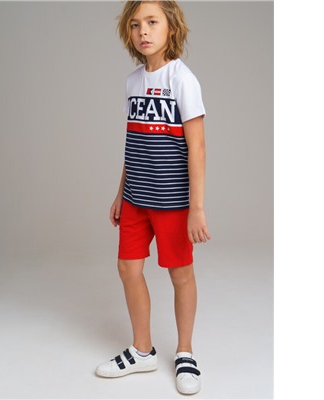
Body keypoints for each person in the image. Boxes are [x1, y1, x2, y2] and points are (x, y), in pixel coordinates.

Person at [95, 0, 211, 395]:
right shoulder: (132, 82)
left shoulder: (183, 79)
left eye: (152, 22)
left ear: (171, 28)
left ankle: (185, 352)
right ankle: (142, 350)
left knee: (180, 274)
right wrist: (120, 193)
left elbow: (197, 147)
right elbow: (135, 142)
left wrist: (196, 207)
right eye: (134, 24)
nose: (142, 31)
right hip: (135, 199)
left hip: (172, 201)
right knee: (128, 269)